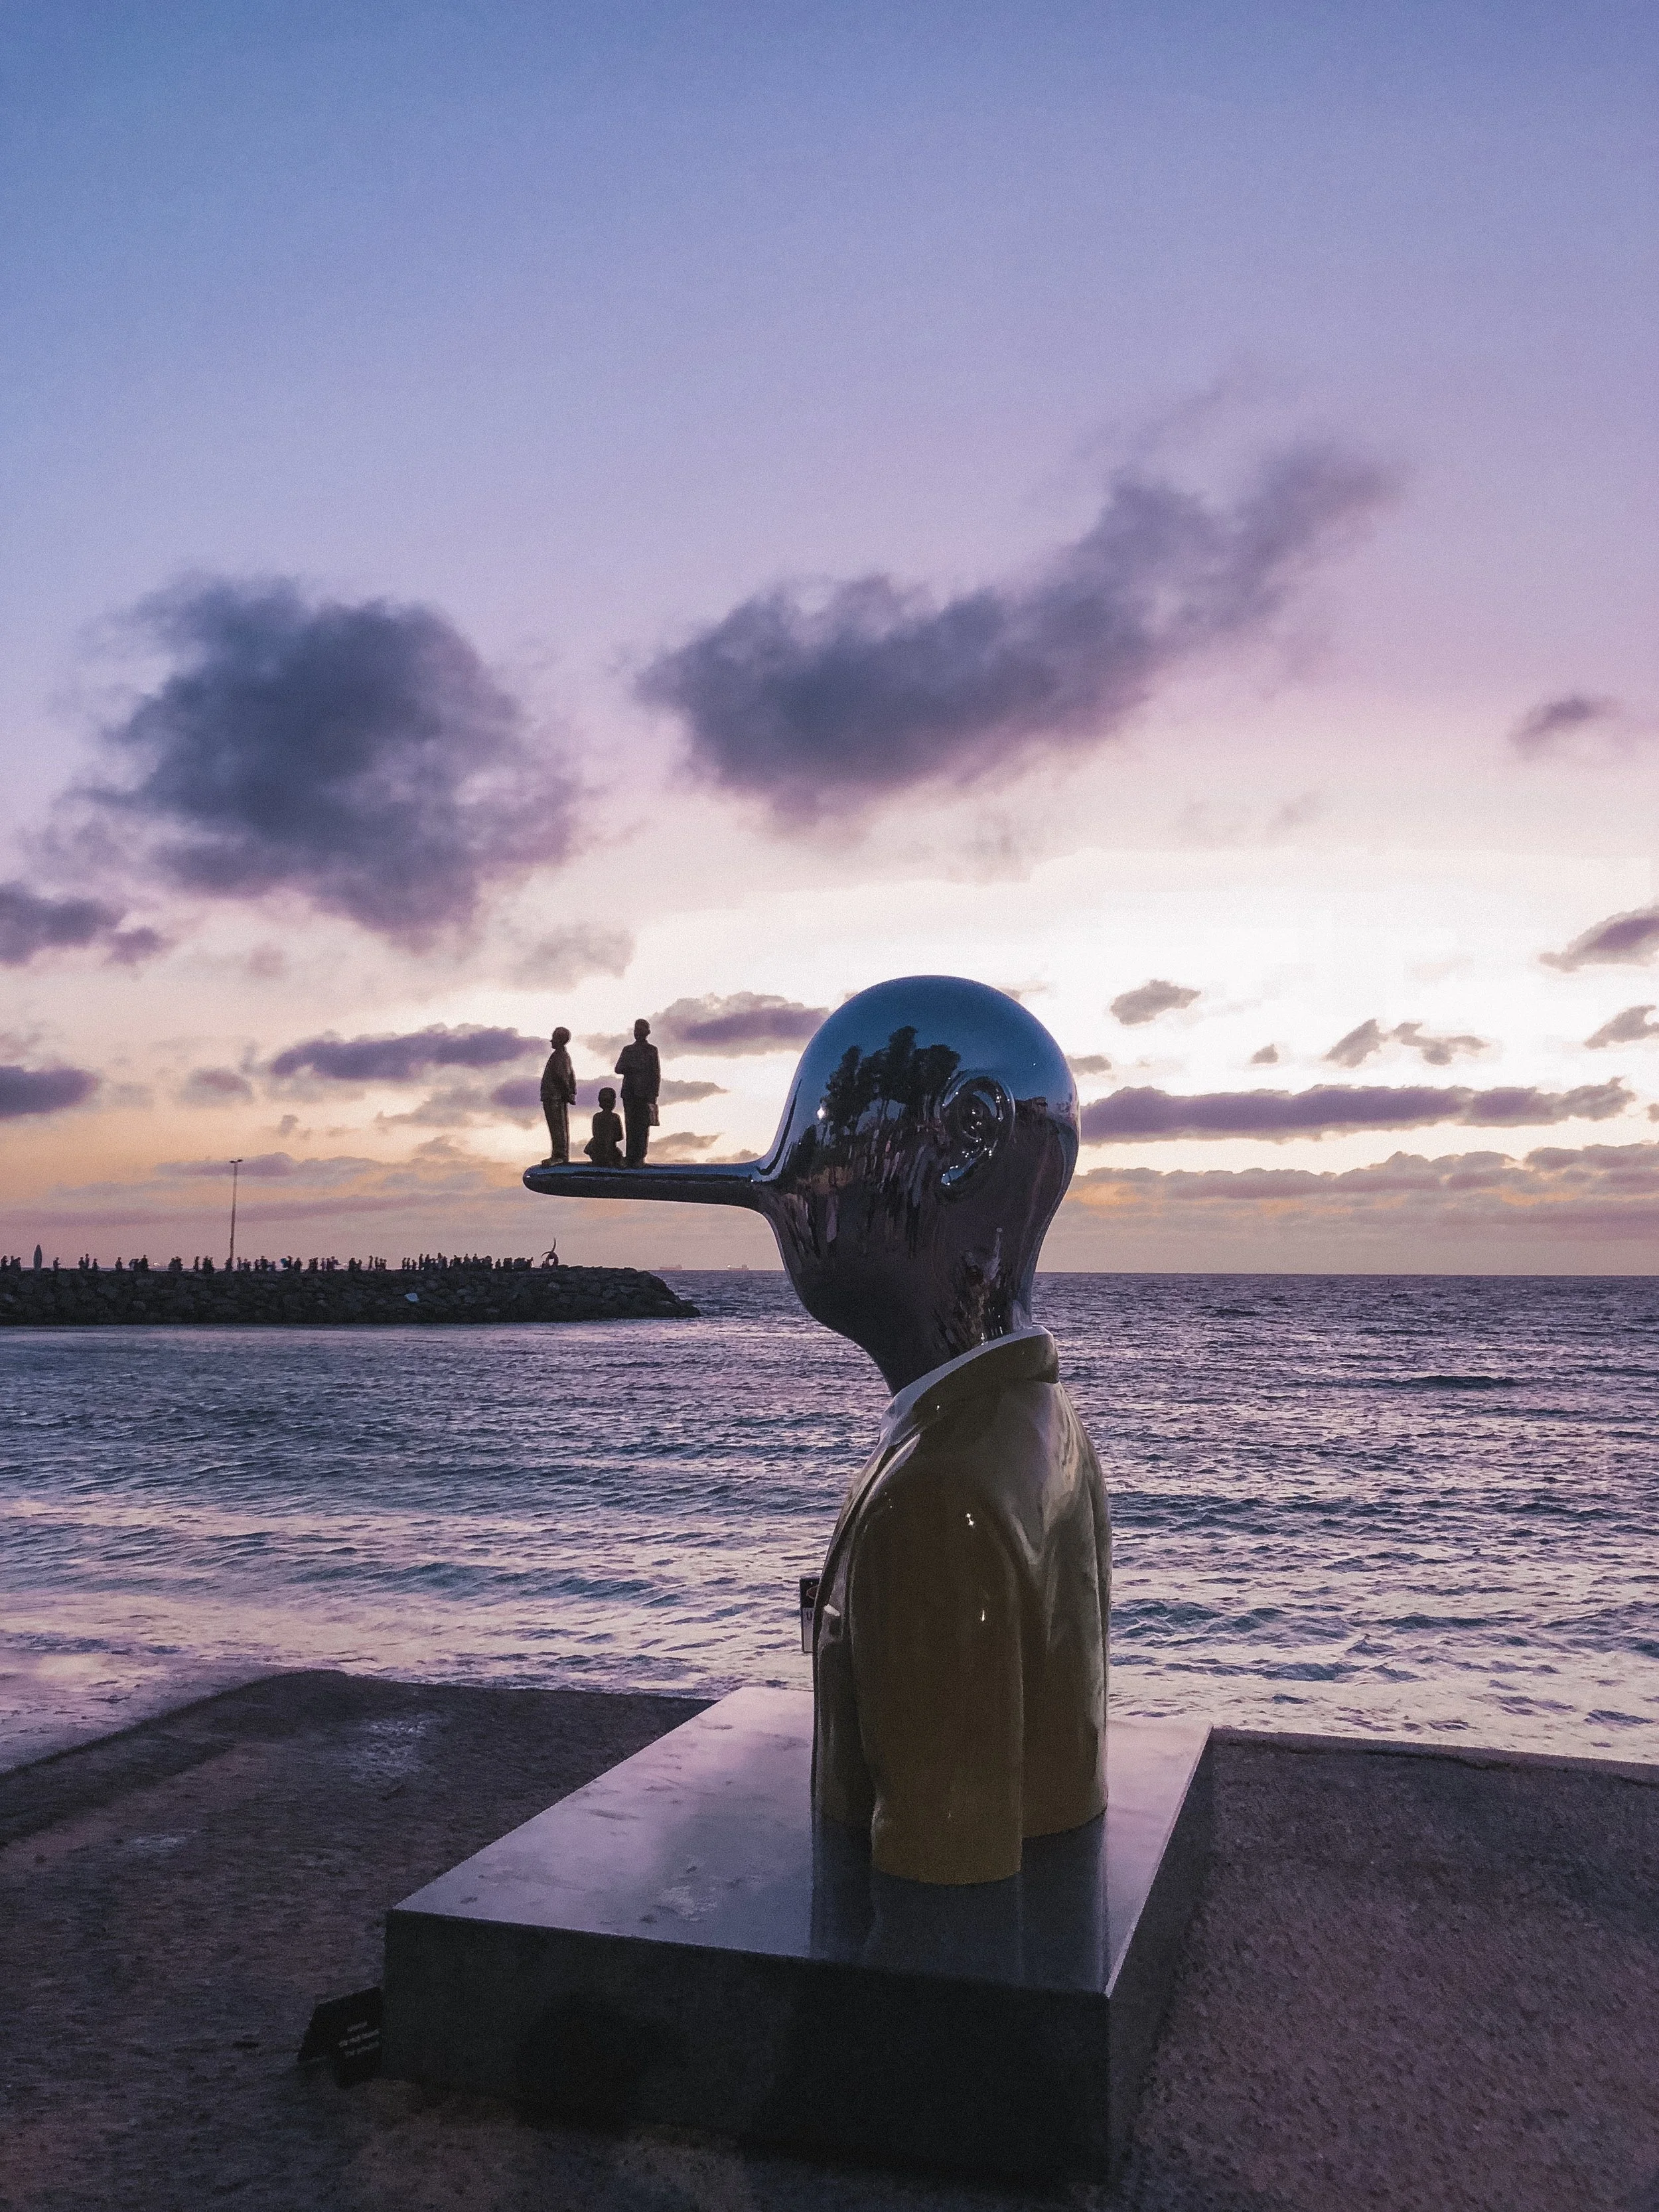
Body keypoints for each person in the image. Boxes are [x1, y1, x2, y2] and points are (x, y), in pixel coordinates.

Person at [524, 976, 1106, 1887]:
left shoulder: (938, 1501)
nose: (785, 1177)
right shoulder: (1037, 1416)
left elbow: (945, 1852)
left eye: (823, 1135)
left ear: (966, 1140)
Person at [613, 1017, 660, 1167]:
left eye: (640, 1030)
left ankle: (640, 1156)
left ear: (647, 1032)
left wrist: (654, 1096)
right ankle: (630, 1156)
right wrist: (633, 1066)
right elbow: (618, 1068)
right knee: (631, 1125)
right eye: (636, 1030)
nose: (637, 1033)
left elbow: (656, 1074)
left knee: (643, 1126)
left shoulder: (652, 1050)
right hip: (630, 1093)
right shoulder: (628, 1050)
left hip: (645, 1094)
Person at [539, 1027, 577, 1165]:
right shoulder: (560, 1056)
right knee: (556, 1126)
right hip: (552, 1096)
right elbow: (570, 1077)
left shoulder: (560, 1057)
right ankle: (559, 1154)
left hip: (555, 1097)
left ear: (560, 1040)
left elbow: (564, 1077)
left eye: (554, 1038)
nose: (551, 1041)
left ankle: (560, 1155)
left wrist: (568, 1094)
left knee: (558, 1127)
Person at [583, 1087, 624, 1165]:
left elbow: (596, 1134)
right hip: (607, 1150)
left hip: (599, 1150)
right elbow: (620, 1136)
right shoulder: (615, 1117)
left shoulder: (597, 1117)